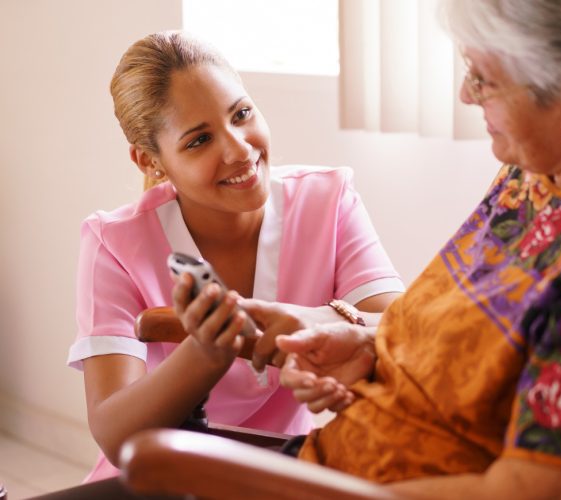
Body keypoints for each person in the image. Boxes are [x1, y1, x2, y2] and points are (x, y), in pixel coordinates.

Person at [221, 0, 561, 498]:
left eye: (484, 78)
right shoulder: (547, 164)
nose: (466, 94)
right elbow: (485, 341)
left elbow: (531, 492)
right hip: (331, 462)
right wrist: (367, 344)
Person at [65, 30, 404, 483]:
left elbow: (405, 332)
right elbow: (115, 434)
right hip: (159, 484)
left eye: (241, 114)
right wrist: (206, 353)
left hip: (277, 477)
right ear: (150, 162)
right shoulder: (114, 242)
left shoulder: (330, 199)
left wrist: (315, 320)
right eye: (199, 140)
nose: (240, 148)